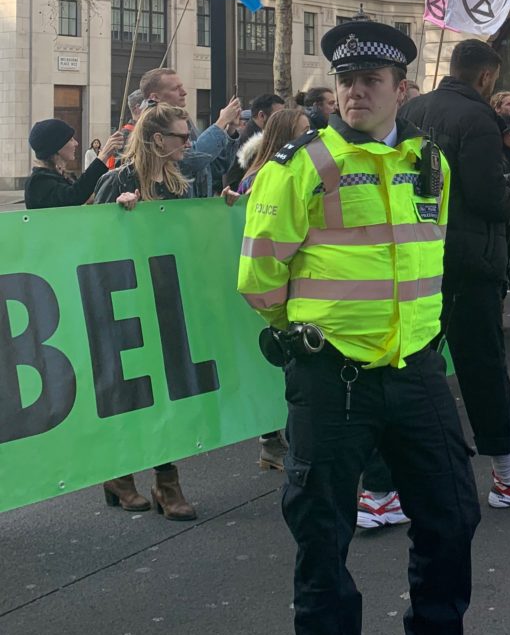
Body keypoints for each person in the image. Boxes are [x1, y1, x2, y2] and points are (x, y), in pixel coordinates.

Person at [238, 19, 510, 635]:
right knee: (323, 543)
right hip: (333, 380)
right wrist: (320, 334)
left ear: (401, 90)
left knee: (452, 514)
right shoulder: (298, 164)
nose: (356, 92)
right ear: (333, 89)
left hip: (417, 369)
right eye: (346, 81)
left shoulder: (429, 159)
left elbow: (426, 258)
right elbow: (259, 281)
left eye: (372, 82)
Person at [403, 40, 510, 510]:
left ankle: (384, 486)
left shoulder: (413, 108)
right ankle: (507, 473)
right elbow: (484, 194)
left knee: (412, 368)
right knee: (483, 369)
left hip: (421, 256)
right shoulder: (476, 118)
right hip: (471, 258)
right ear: (487, 77)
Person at [92, 104, 202, 518]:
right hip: (124, 303)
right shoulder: (116, 179)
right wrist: (116, 215)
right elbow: (88, 240)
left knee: (165, 392)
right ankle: (122, 474)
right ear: (158, 139)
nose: (187, 143)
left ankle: (165, 481)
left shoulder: (180, 184)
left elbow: (189, 235)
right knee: (129, 392)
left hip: (165, 299)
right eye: (181, 136)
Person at [230, 106, 313, 472]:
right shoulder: (271, 176)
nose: (312, 137)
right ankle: (277, 441)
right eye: (305, 129)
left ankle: (274, 441)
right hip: (276, 289)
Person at [138, 66, 242, 195]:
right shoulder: (148, 127)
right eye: (175, 89)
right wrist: (221, 122)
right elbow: (191, 160)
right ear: (155, 97)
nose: (184, 92)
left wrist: (230, 128)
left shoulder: (186, 122)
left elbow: (212, 165)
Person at [25, 121, 123, 207]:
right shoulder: (37, 182)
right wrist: (103, 156)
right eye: (71, 139)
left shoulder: (64, 176)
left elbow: (84, 197)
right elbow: (74, 196)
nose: (76, 143)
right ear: (57, 147)